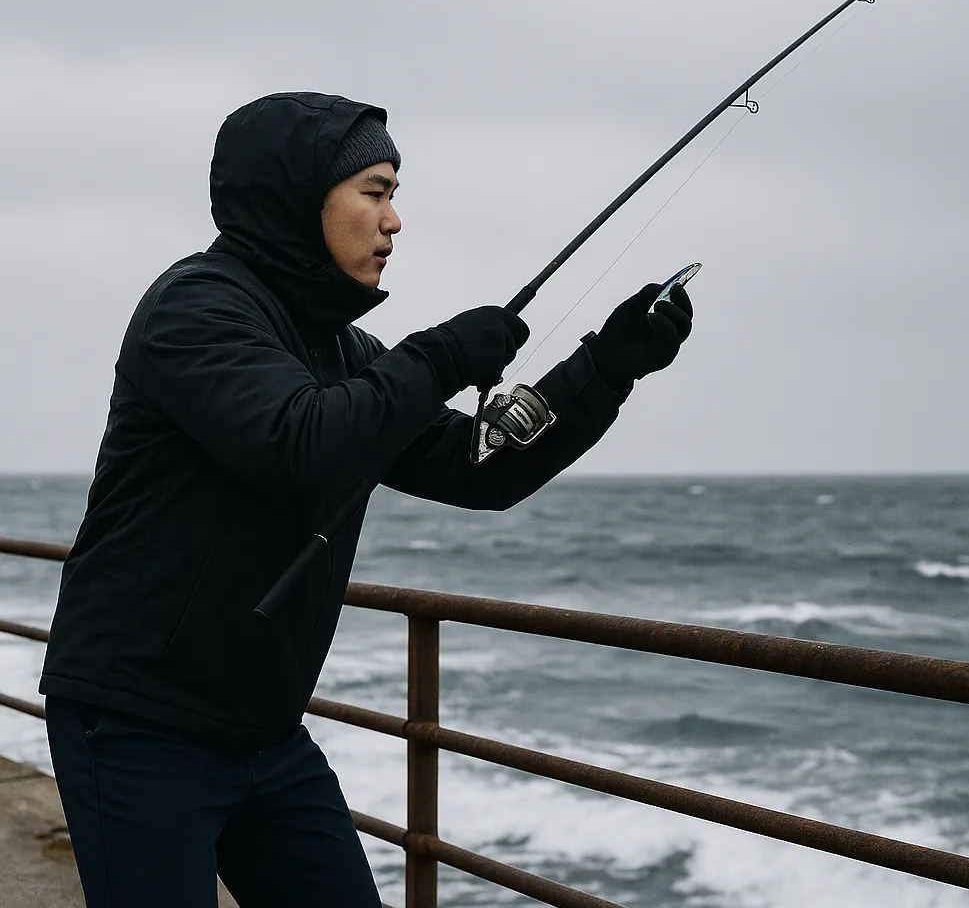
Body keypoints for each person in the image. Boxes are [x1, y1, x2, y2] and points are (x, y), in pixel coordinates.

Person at [39, 91, 694, 907]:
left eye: (394, 196)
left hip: (265, 732)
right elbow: (299, 443)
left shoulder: (345, 351)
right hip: (138, 719)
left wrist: (603, 371)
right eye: (375, 192)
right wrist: (442, 354)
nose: (394, 221)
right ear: (300, 197)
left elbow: (476, 467)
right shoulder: (195, 308)